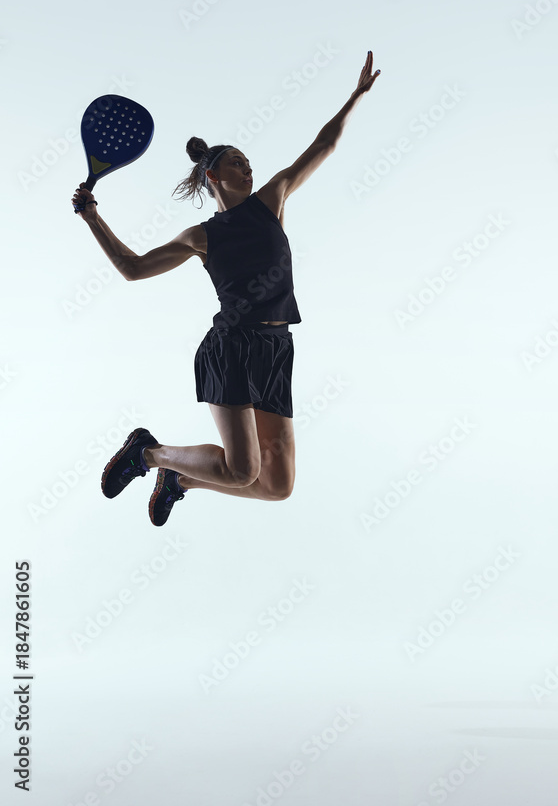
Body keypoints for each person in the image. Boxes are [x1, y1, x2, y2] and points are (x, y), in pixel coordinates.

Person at [71, 52, 381, 526]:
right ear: (213, 176)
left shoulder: (272, 199)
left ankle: (180, 479)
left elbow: (324, 145)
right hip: (232, 346)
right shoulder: (201, 236)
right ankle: (148, 454)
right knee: (242, 471)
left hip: (277, 349)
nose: (249, 169)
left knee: (277, 486)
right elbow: (132, 268)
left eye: (249, 162)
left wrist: (354, 98)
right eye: (238, 163)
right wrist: (94, 218)